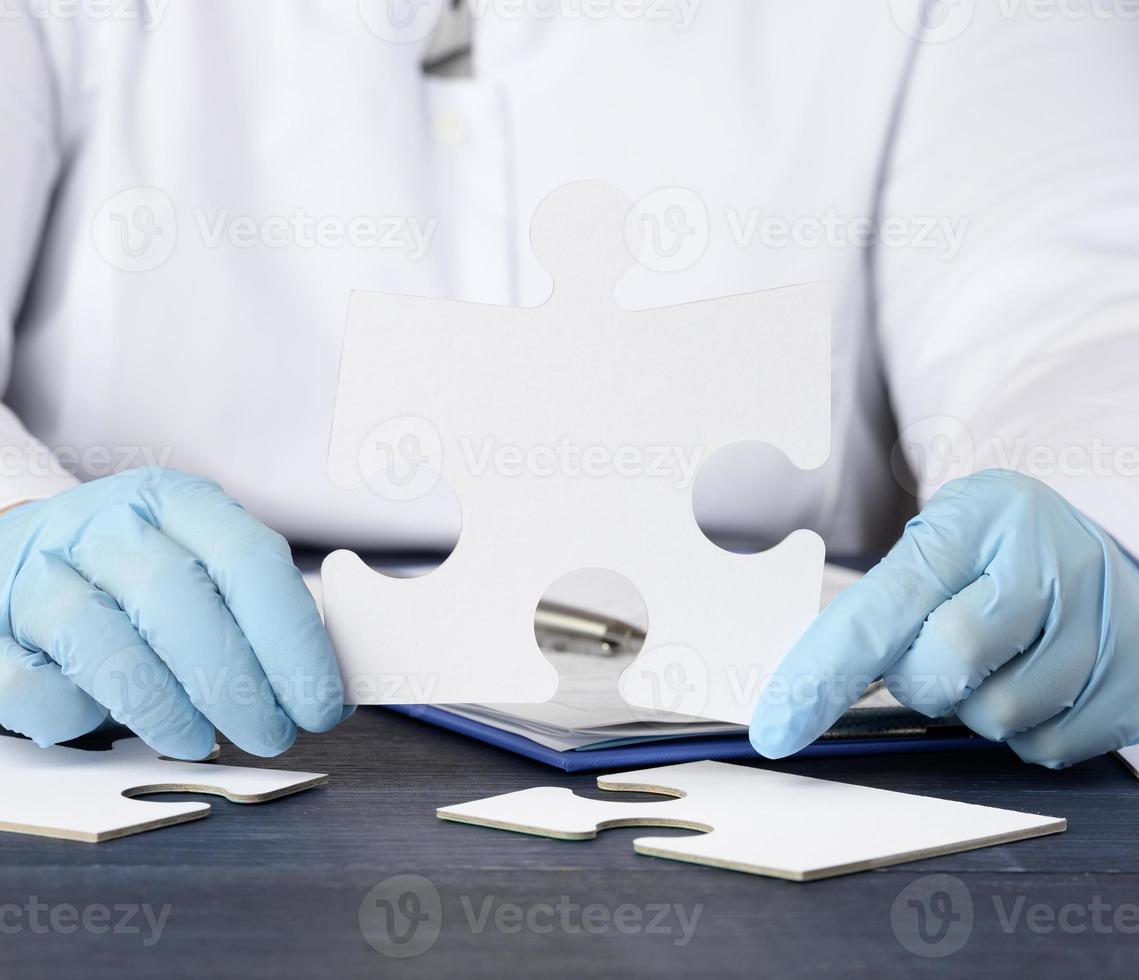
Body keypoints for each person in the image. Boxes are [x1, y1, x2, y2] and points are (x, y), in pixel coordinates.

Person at [1, 1, 1136, 767]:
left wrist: (1100, 520)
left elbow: (1071, 293)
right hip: (166, 702)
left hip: (754, 706)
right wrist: (13, 527)